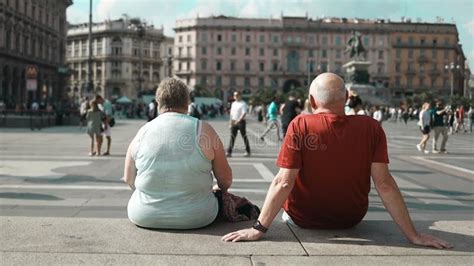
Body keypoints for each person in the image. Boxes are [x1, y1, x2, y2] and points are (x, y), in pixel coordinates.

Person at [222, 73, 452, 249]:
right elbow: (384, 184)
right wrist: (414, 235)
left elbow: (283, 182)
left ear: (312, 100)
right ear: (345, 98)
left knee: (284, 202)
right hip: (351, 218)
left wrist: (258, 229)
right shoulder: (371, 127)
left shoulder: (300, 124)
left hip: (303, 218)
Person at [123, 78, 232, 229]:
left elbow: (129, 179)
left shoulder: (143, 131)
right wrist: (219, 189)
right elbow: (225, 180)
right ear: (187, 103)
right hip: (198, 216)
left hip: (144, 215)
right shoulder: (204, 130)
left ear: (158, 103)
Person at [226, 91, 251, 157]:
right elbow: (231, 113)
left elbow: (244, 113)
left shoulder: (243, 104)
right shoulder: (233, 103)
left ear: (240, 96)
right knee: (232, 137)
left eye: (237, 95)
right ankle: (229, 152)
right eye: (234, 95)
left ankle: (248, 151)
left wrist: (239, 120)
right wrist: (230, 122)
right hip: (234, 121)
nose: (235, 96)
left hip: (241, 122)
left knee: (244, 136)